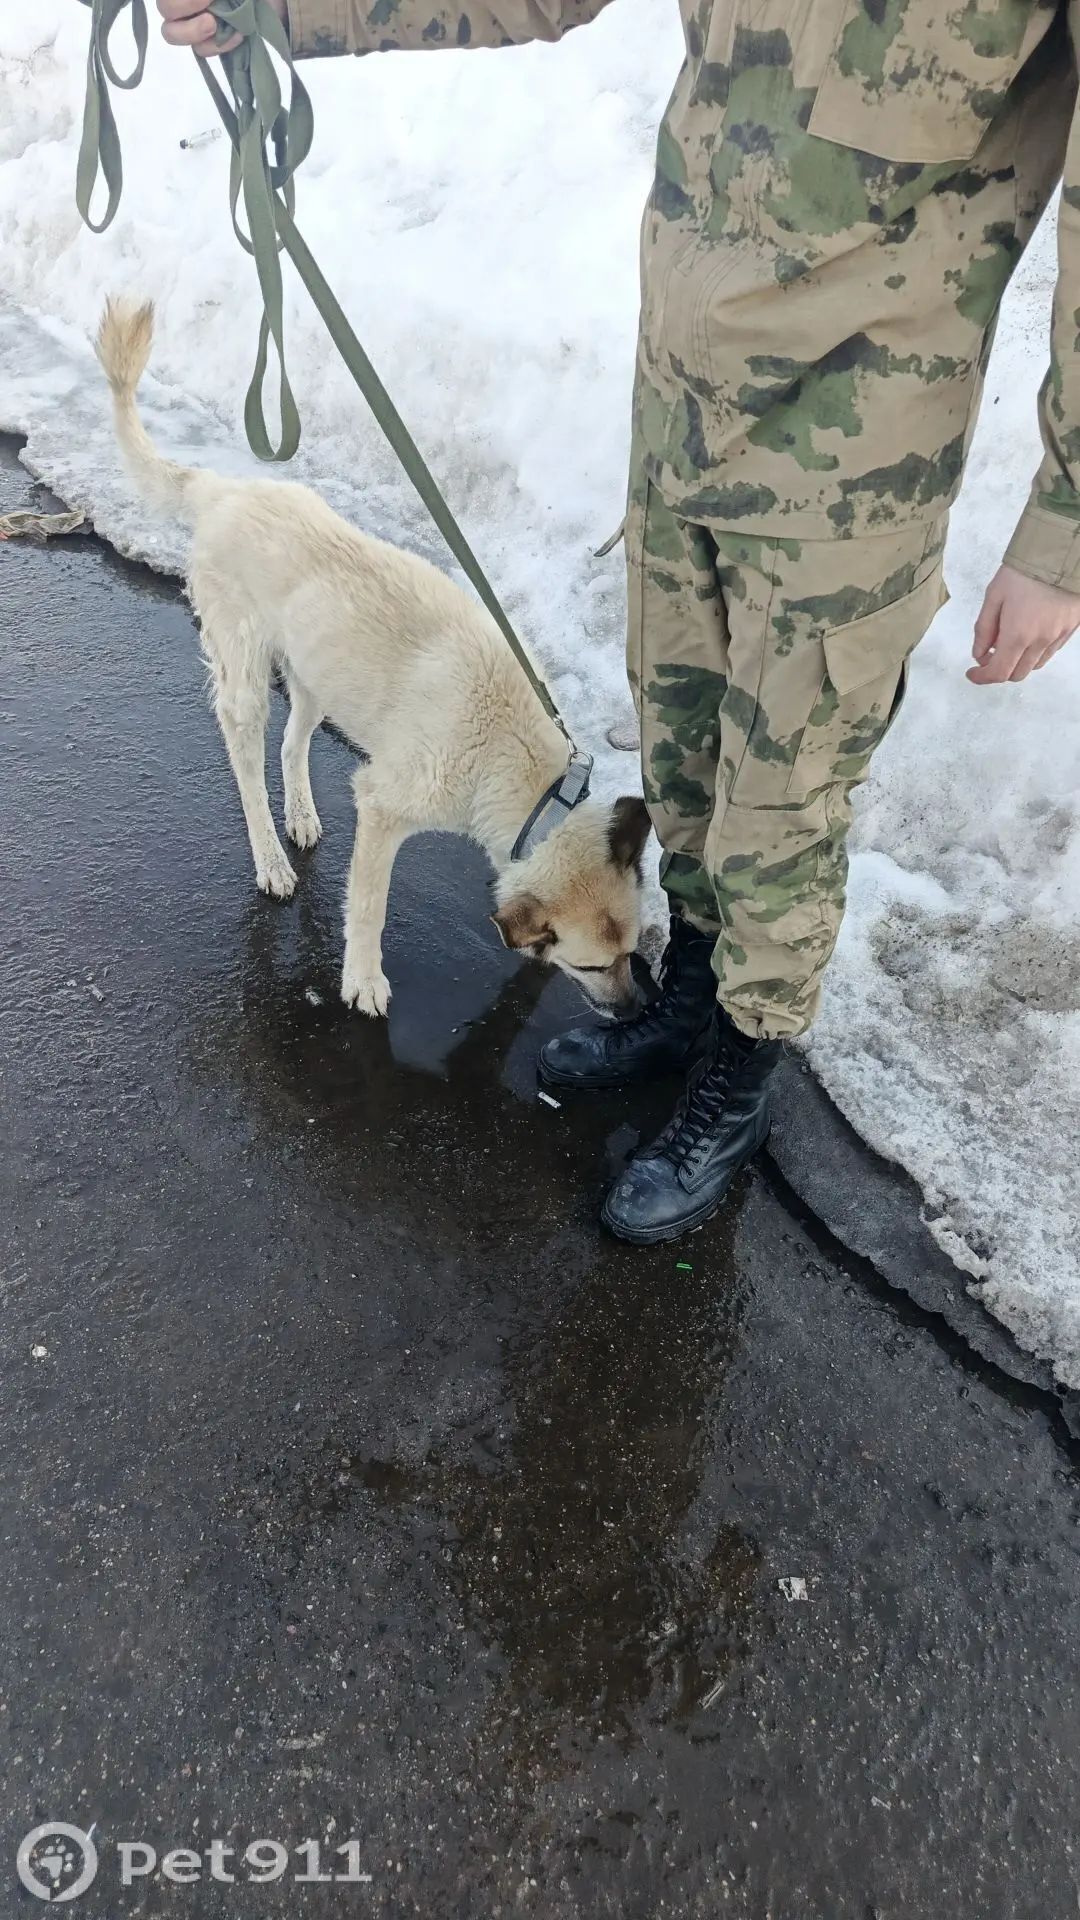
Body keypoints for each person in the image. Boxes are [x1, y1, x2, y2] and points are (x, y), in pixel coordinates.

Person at [159, 0, 1080, 1244]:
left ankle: (740, 1074)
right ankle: (689, 1001)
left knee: (782, 806)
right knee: (686, 773)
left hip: (855, 457)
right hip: (683, 410)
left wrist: (1065, 522)